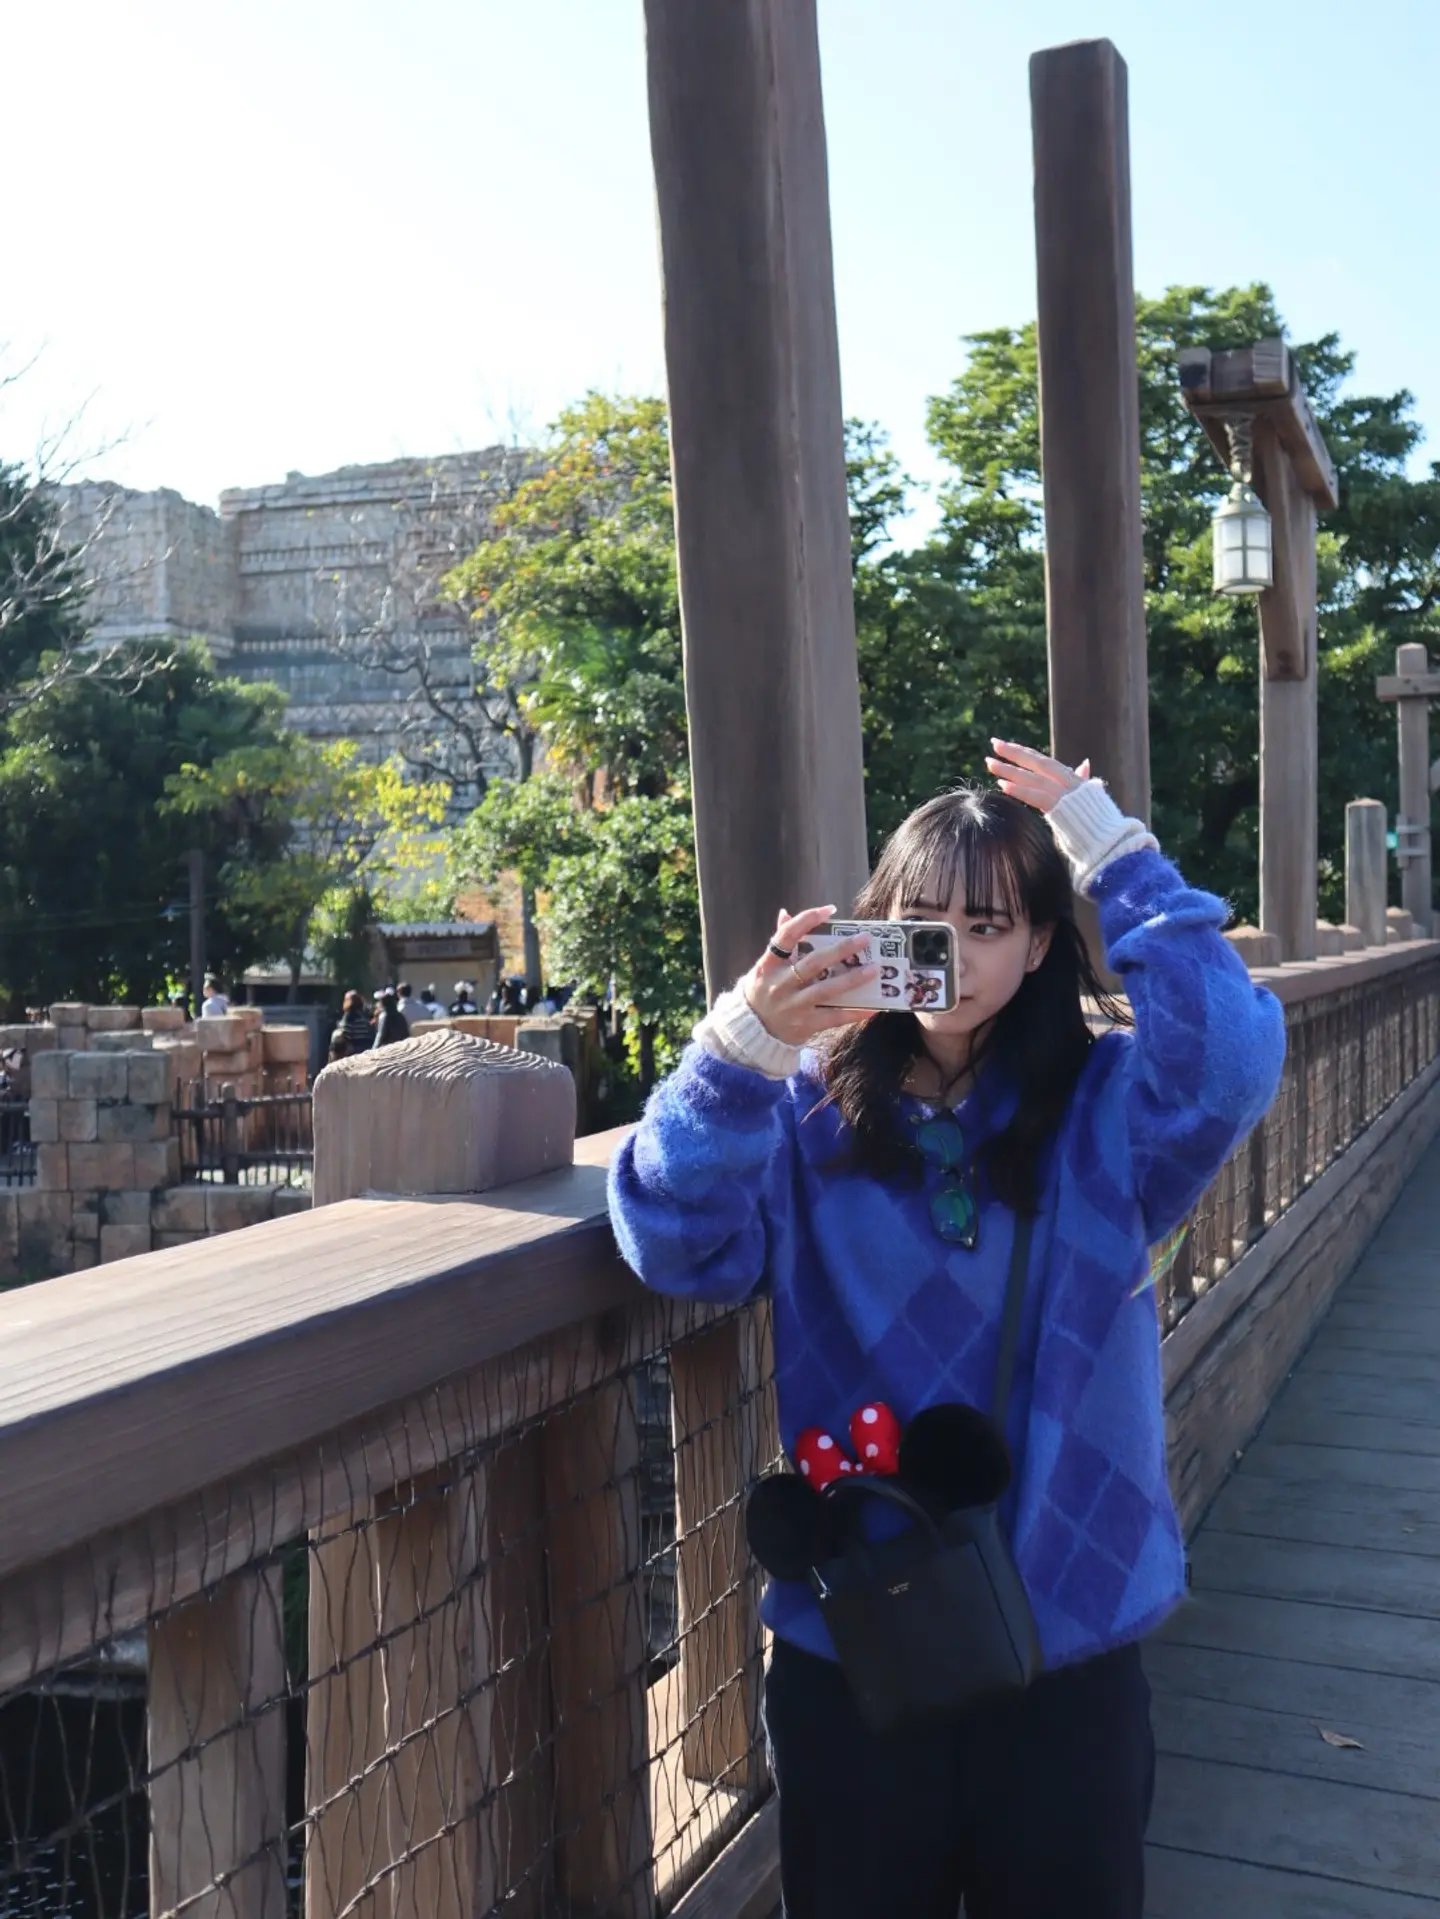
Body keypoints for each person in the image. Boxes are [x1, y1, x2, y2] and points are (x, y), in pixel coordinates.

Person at [608, 741, 1286, 1919]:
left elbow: (1228, 1064)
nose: (954, 958)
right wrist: (741, 1047)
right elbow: (670, 1236)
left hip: (1071, 1625)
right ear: (873, 929)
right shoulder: (805, 1115)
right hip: (859, 1624)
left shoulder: (1110, 1107)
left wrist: (1112, 850)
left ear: (1041, 943)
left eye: (988, 925)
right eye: (921, 925)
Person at [334, 989, 374, 1058]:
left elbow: (345, 1032)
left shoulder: (349, 1015)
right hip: (366, 1047)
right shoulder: (363, 1014)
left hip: (355, 1048)